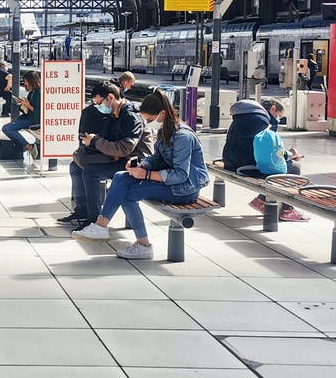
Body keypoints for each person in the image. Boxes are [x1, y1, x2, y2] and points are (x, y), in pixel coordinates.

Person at [72, 90, 209, 260]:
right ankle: (101, 226)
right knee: (121, 176)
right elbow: (157, 157)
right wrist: (141, 164)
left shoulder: (183, 136)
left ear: (163, 114)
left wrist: (146, 174)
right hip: (169, 182)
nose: (148, 123)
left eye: (150, 120)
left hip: (184, 189)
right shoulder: (164, 131)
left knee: (127, 196)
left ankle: (143, 245)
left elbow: (180, 175)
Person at [60, 82, 154, 229]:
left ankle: (94, 222)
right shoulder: (113, 114)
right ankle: (83, 210)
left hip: (136, 163)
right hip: (119, 157)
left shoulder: (131, 116)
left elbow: (126, 148)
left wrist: (96, 142)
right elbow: (109, 138)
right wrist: (92, 140)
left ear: (110, 97)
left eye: (100, 103)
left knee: (91, 172)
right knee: (76, 167)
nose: (98, 107)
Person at [222, 98, 308, 221]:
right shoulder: (261, 121)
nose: (278, 119)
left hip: (231, 161)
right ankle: (287, 210)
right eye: (279, 115)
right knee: (294, 167)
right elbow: (267, 154)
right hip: (245, 165)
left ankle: (261, 200)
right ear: (273, 109)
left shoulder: (244, 116)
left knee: (285, 166)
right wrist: (289, 155)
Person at [1, 70, 41, 159]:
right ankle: (26, 146)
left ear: (31, 81)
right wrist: (22, 104)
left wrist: (27, 105)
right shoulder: (32, 92)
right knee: (7, 127)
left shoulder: (39, 93)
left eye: (26, 81)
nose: (25, 83)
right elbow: (28, 109)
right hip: (28, 117)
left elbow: (39, 111)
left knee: (7, 128)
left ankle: (28, 146)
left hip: (33, 119)